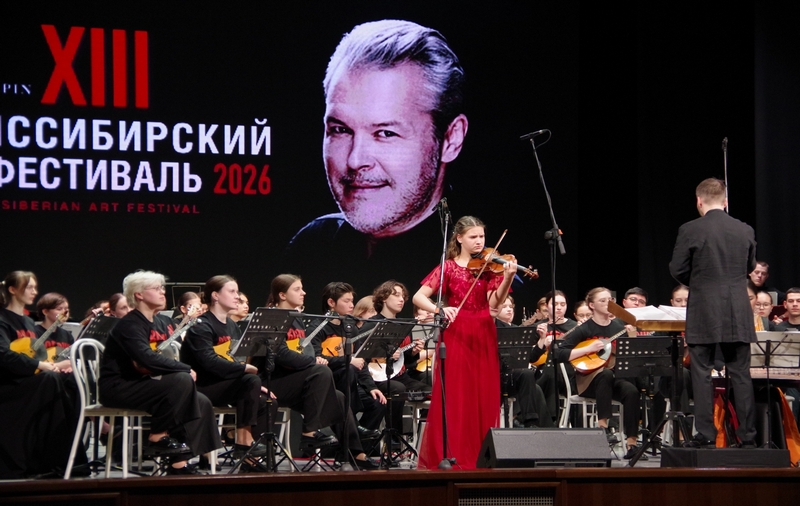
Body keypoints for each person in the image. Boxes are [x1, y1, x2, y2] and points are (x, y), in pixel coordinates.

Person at [283, 19, 468, 301]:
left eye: (385, 133)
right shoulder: (312, 245)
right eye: (341, 130)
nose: (355, 160)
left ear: (451, 139)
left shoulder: (472, 266)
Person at [412, 215, 515, 469]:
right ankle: (454, 453)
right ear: (459, 238)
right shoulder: (448, 267)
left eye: (482, 236)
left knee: (482, 394)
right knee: (457, 395)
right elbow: (418, 297)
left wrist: (508, 278)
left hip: (483, 330)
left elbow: (494, 303)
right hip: (456, 332)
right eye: (473, 237)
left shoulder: (489, 266)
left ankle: (482, 455)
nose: (479, 241)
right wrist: (439, 310)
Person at [98, 271, 221, 475]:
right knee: (181, 380)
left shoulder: (161, 322)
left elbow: (163, 356)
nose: (163, 292)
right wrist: (185, 368)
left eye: (162, 288)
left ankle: (179, 464)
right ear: (139, 294)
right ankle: (157, 435)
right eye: (156, 288)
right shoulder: (129, 324)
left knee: (201, 400)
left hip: (146, 383)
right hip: (119, 387)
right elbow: (146, 358)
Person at [669, 177, 758, 448]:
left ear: (699, 201)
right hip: (737, 308)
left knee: (702, 372)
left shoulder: (690, 229)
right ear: (725, 201)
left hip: (703, 308)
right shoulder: (744, 229)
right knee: (741, 373)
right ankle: (748, 437)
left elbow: (677, 268)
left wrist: (700, 283)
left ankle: (706, 434)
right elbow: (749, 266)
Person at [257, 274, 379, 469]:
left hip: (294, 379)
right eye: (297, 289)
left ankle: (357, 453)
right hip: (273, 380)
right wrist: (313, 360)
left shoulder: (296, 320)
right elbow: (281, 355)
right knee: (321, 372)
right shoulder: (272, 317)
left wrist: (313, 359)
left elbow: (302, 351)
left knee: (339, 397)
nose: (303, 292)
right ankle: (309, 433)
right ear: (282, 295)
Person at [1, 271, 84, 478]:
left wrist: (54, 365)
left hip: (30, 381)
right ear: (13, 290)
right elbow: (3, 355)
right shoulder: (2, 319)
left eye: (34, 287)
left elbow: (38, 355)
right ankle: (51, 460)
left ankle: (69, 459)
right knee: (50, 379)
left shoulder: (29, 323)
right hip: (9, 384)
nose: (34, 292)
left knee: (71, 381)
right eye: (29, 287)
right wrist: (41, 365)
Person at [181, 275, 270, 463]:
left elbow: (233, 358)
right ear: (215, 295)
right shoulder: (201, 326)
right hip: (203, 385)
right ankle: (244, 444)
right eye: (232, 291)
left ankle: (250, 461)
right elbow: (209, 363)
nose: (237, 296)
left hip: (223, 384)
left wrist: (252, 383)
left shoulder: (231, 325)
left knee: (267, 401)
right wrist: (243, 369)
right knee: (251, 380)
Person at [551, 287, 641, 458]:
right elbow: (558, 353)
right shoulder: (584, 329)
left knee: (631, 391)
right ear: (591, 305)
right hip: (588, 382)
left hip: (612, 380)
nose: (608, 303)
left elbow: (632, 359)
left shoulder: (619, 328)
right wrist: (587, 349)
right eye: (603, 300)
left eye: (610, 300)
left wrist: (632, 338)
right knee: (604, 375)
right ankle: (603, 428)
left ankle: (632, 444)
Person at [35, 292, 74, 358]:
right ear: (45, 312)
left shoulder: (67, 335)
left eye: (66, 309)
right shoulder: (34, 332)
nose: (64, 313)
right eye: (59, 309)